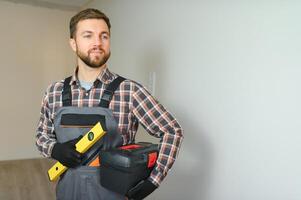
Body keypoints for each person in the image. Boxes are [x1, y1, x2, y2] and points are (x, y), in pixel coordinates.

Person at [36, 8, 183, 200]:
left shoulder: (129, 91)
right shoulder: (54, 92)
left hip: (113, 193)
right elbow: (41, 136)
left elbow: (172, 131)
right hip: (68, 192)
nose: (97, 43)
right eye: (88, 36)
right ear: (73, 43)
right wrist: (54, 149)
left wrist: (153, 181)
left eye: (103, 36)